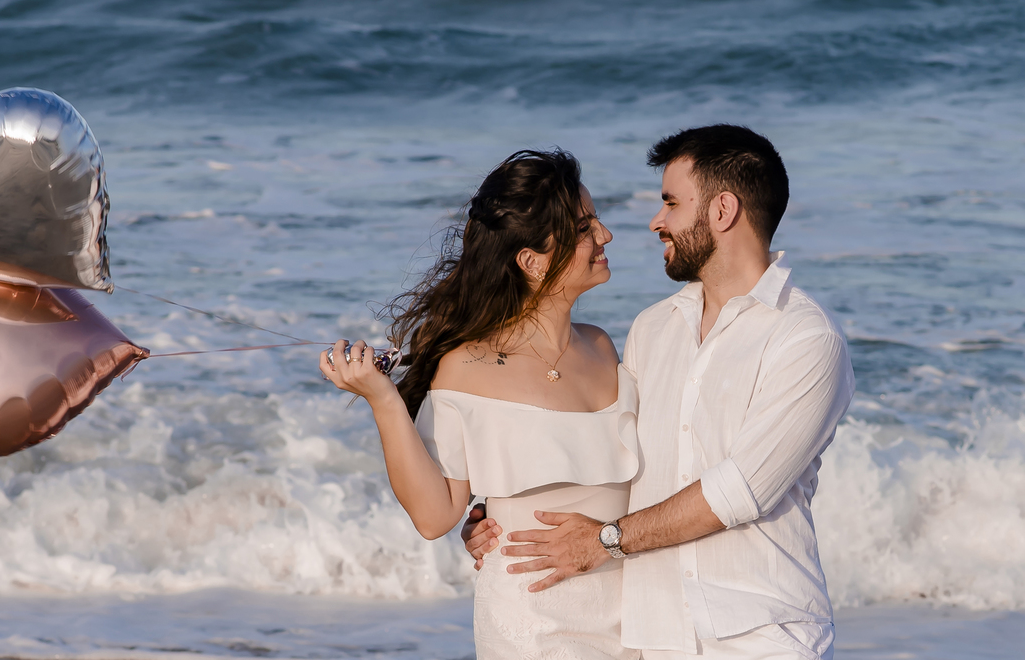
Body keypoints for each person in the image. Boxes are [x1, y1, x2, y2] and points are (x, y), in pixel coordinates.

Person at [462, 125, 855, 660]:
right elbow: (611, 451)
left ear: (722, 211)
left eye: (671, 203)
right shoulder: (653, 329)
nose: (655, 222)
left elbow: (741, 491)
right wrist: (507, 512)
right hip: (653, 639)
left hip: (763, 635)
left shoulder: (805, 338)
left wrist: (604, 541)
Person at [320, 148, 639, 658]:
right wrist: (382, 399)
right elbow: (433, 516)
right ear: (532, 261)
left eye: (596, 220)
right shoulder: (465, 365)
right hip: (532, 622)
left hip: (634, 619)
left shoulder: (602, 346)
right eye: (583, 227)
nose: (605, 235)